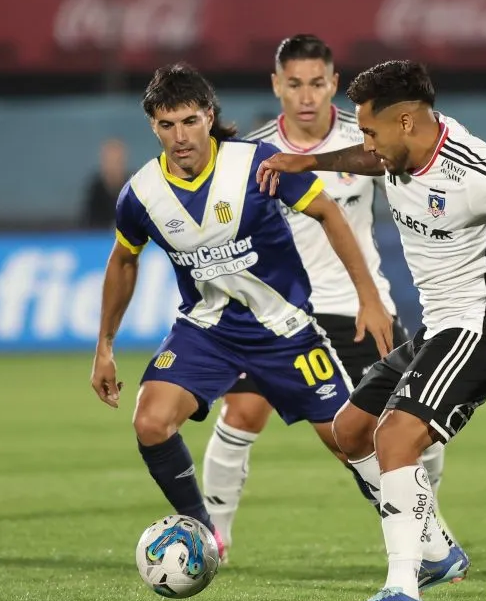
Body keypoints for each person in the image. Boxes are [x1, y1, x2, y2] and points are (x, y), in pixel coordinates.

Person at [256, 59, 486, 601]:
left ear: (408, 122)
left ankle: (403, 587)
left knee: (395, 438)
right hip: (436, 329)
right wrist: (311, 160)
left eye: (370, 129)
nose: (364, 141)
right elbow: (369, 157)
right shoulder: (397, 150)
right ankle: (437, 552)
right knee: (351, 431)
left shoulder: (476, 169)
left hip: (481, 331)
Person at [88, 63, 394, 560]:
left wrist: (368, 298)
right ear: (153, 127)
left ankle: (429, 543)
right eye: (167, 125)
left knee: (350, 441)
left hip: (284, 329)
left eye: (189, 121)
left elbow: (328, 212)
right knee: (150, 421)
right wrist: (104, 346)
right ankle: (204, 534)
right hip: (207, 330)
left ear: (209, 115)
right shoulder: (141, 194)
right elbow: (124, 259)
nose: (180, 136)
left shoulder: (256, 164)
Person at [200, 34, 450, 562]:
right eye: (295, 84)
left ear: (334, 84)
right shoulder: (256, 152)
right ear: (277, 86)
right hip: (280, 312)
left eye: (317, 83)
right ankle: (214, 536)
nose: (307, 95)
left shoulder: (368, 137)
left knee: (415, 425)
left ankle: (429, 530)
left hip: (359, 309)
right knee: (243, 412)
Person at [82, 138, 129, 229]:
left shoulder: (135, 187)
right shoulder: (95, 190)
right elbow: (87, 223)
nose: (113, 166)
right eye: (110, 161)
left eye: (117, 161)